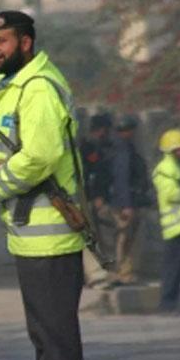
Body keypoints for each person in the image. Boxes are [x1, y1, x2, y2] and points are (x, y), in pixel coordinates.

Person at [0, 9, 86, 360]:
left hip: (50, 239)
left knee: (55, 343)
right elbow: (10, 68)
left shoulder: (38, 90)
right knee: (46, 339)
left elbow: (38, 157)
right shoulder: (23, 80)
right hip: (33, 239)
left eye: (0, 41)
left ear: (27, 43)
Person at [152, 128, 180, 315]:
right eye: (178, 149)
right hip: (177, 228)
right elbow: (171, 193)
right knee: (173, 269)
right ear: (169, 151)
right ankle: (167, 305)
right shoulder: (163, 170)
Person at [109, 114, 152, 286]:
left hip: (128, 200)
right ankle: (123, 273)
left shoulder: (125, 148)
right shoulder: (123, 150)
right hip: (124, 203)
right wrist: (126, 205)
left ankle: (126, 272)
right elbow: (122, 178)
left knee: (129, 238)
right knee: (125, 238)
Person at [80, 113, 115, 288]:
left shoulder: (104, 147)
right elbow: (88, 174)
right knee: (88, 235)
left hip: (98, 198)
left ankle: (108, 270)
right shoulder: (86, 147)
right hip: (85, 198)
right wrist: (94, 196)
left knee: (105, 236)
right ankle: (96, 275)